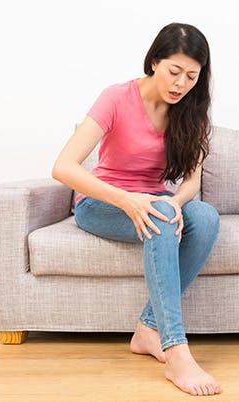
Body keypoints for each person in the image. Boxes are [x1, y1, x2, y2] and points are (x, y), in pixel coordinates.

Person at [51, 22, 222, 397]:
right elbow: (63, 167)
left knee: (206, 218)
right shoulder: (116, 97)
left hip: (156, 202)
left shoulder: (190, 109)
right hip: (103, 202)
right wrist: (129, 201)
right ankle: (176, 350)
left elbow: (191, 181)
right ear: (154, 61)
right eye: (174, 72)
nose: (181, 84)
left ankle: (147, 329)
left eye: (191, 76)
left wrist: (175, 203)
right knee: (159, 215)